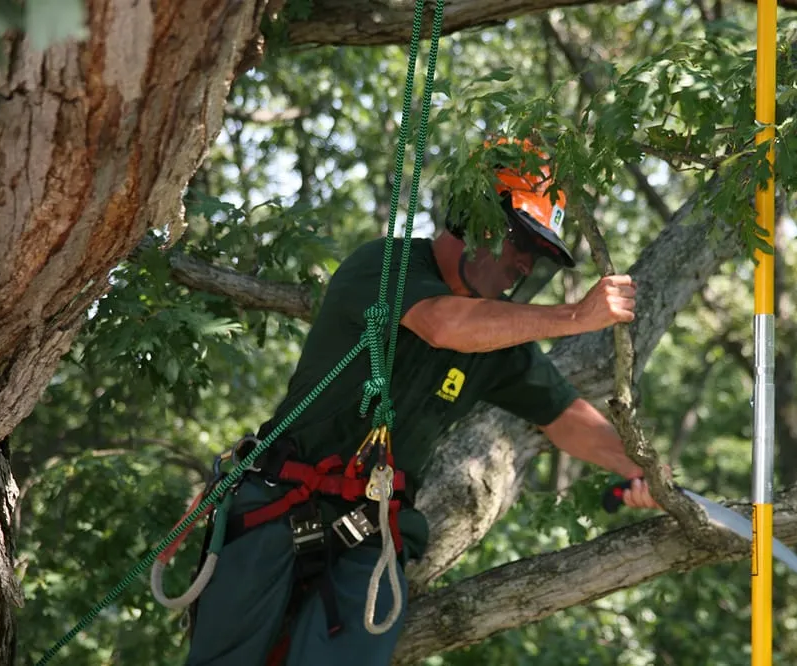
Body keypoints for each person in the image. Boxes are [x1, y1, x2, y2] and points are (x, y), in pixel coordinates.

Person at [184, 140, 659, 666]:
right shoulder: (384, 266)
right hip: (276, 504)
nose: (525, 263)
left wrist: (642, 470)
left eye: (538, 251)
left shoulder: (502, 341)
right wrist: (574, 317)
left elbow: (564, 415)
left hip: (368, 536)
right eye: (519, 239)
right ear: (473, 216)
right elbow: (441, 323)